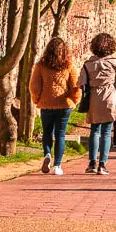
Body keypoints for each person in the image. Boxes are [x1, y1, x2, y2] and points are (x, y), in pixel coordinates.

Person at [29, 36, 81, 176]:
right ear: (65, 51)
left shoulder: (40, 65)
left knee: (47, 132)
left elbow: (34, 86)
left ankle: (47, 154)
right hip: (64, 104)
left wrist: (37, 99)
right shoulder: (69, 65)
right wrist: (74, 100)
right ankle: (57, 165)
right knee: (60, 135)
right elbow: (75, 86)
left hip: (46, 104)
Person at [79, 33, 116, 176]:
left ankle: (92, 163)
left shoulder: (87, 65)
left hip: (94, 99)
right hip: (110, 98)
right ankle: (102, 164)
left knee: (94, 131)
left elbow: (80, 83)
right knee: (107, 132)